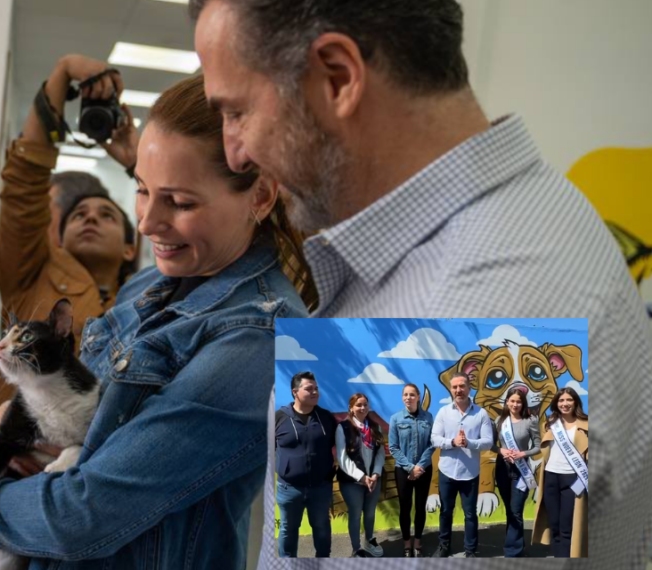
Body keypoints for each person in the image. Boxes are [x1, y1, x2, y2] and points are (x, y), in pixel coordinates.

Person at [189, 0, 652, 564]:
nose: (234, 153)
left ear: (337, 77)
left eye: (235, 111)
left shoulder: (456, 320)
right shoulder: (539, 210)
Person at [0, 73, 311, 569]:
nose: (148, 223)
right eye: (141, 189)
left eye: (179, 202)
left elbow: (82, 515)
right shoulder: (148, 284)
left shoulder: (260, 335)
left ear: (260, 196)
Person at [0, 54, 140, 453]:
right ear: (58, 239)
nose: (91, 217)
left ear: (131, 246)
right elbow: (24, 189)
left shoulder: (147, 303)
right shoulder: (32, 273)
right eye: (79, 214)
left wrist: (136, 161)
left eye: (107, 214)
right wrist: (61, 74)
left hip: (79, 481)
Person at [429, 373, 494, 557]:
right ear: (451, 389)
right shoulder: (444, 412)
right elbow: (434, 439)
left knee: (470, 515)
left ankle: (470, 550)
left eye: (462, 386)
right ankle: (444, 545)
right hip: (447, 471)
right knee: (446, 511)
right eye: (455, 387)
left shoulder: (481, 413)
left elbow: (488, 442)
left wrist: (469, 443)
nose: (459, 390)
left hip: (470, 473)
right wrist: (452, 442)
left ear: (469, 388)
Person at [274, 371, 338, 558]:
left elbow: (342, 446)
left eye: (316, 388)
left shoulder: (326, 418)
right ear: (295, 392)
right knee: (288, 529)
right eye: (309, 389)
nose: (315, 392)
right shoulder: (279, 418)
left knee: (321, 527)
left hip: (321, 487)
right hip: (289, 488)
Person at [532, 388, 588, 558]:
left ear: (575, 402)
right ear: (556, 403)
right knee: (554, 526)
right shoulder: (550, 424)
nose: (565, 404)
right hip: (550, 478)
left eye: (569, 400)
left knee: (567, 527)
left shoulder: (586, 425)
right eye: (561, 400)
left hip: (573, 479)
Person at [491, 387, 541, 558]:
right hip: (502, 469)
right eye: (512, 401)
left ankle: (512, 553)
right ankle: (518, 544)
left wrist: (522, 453)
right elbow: (491, 444)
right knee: (510, 511)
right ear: (507, 402)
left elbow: (537, 446)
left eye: (518, 401)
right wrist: (502, 451)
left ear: (523, 403)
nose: (515, 404)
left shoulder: (531, 420)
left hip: (522, 470)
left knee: (516, 510)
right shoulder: (499, 420)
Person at [388, 383, 435, 558]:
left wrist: (420, 466)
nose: (408, 398)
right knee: (405, 507)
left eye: (412, 395)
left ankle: (418, 541)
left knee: (420, 507)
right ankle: (407, 542)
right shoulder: (395, 419)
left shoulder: (428, 417)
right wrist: (410, 467)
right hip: (403, 471)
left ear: (418, 397)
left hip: (424, 470)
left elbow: (432, 444)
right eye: (405, 395)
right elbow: (393, 447)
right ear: (402, 397)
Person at [336, 393, 385, 558]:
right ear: (351, 408)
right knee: (355, 515)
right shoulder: (342, 428)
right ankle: (356, 548)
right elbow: (343, 458)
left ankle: (369, 541)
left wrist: (376, 474)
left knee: (370, 513)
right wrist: (362, 477)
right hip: (352, 482)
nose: (362, 408)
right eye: (358, 405)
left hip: (374, 480)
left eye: (365, 404)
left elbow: (380, 454)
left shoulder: (375, 427)